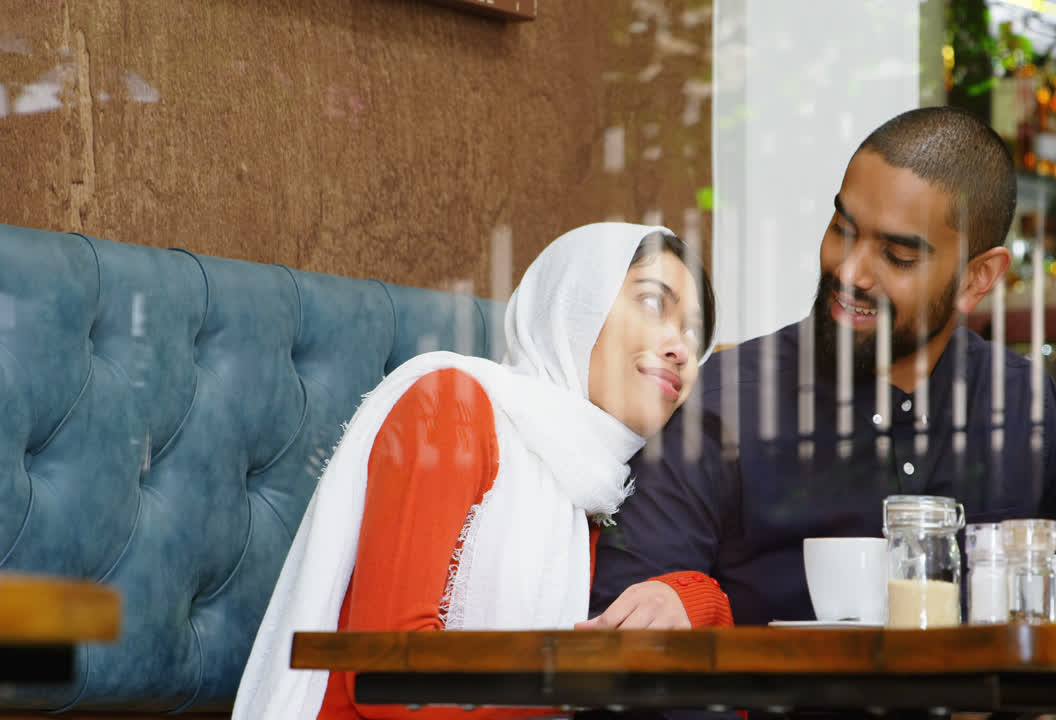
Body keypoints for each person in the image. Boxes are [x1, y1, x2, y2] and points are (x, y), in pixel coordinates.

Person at [589, 107, 1056, 632]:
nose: (850, 271)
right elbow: (623, 630)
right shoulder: (727, 408)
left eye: (897, 256)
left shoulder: (1019, 406)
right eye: (842, 228)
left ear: (978, 279)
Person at [233, 223, 732, 720]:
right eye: (651, 303)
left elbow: (640, 621)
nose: (681, 348)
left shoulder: (593, 481)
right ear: (574, 303)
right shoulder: (450, 407)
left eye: (695, 332)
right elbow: (385, 679)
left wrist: (697, 599)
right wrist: (583, 680)